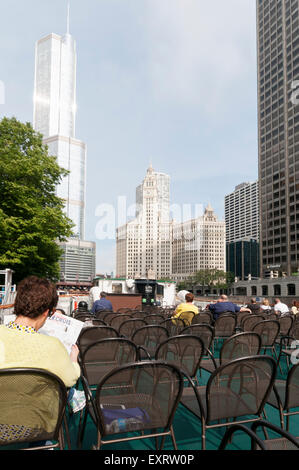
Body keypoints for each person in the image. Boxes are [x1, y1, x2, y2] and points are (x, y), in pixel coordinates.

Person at [0, 276, 85, 414]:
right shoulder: (53, 346)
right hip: (37, 425)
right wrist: (74, 360)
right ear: (46, 312)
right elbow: (70, 379)